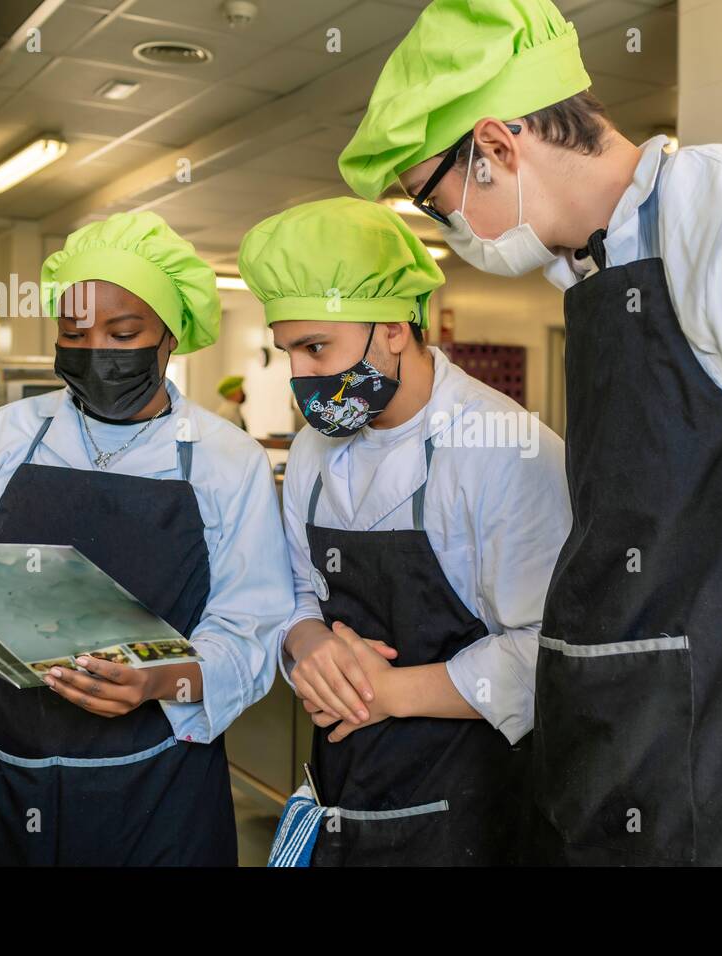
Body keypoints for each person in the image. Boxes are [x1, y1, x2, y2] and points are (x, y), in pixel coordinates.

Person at [338, 0, 722, 865]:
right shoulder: (598, 275)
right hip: (622, 763)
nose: (448, 235)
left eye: (435, 200)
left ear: (493, 148)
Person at [0, 211, 294, 866]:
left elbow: (250, 625)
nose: (96, 349)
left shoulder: (226, 457)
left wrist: (165, 681)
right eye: (74, 332)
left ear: (171, 336)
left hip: (152, 784)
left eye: (124, 331)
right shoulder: (6, 435)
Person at [238, 197, 568, 865]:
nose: (300, 375)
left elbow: (554, 651)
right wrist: (309, 648)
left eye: (315, 347)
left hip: (471, 809)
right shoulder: (312, 452)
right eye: (289, 351)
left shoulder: (504, 448)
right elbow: (297, 593)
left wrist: (387, 691)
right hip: (342, 784)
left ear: (393, 329)